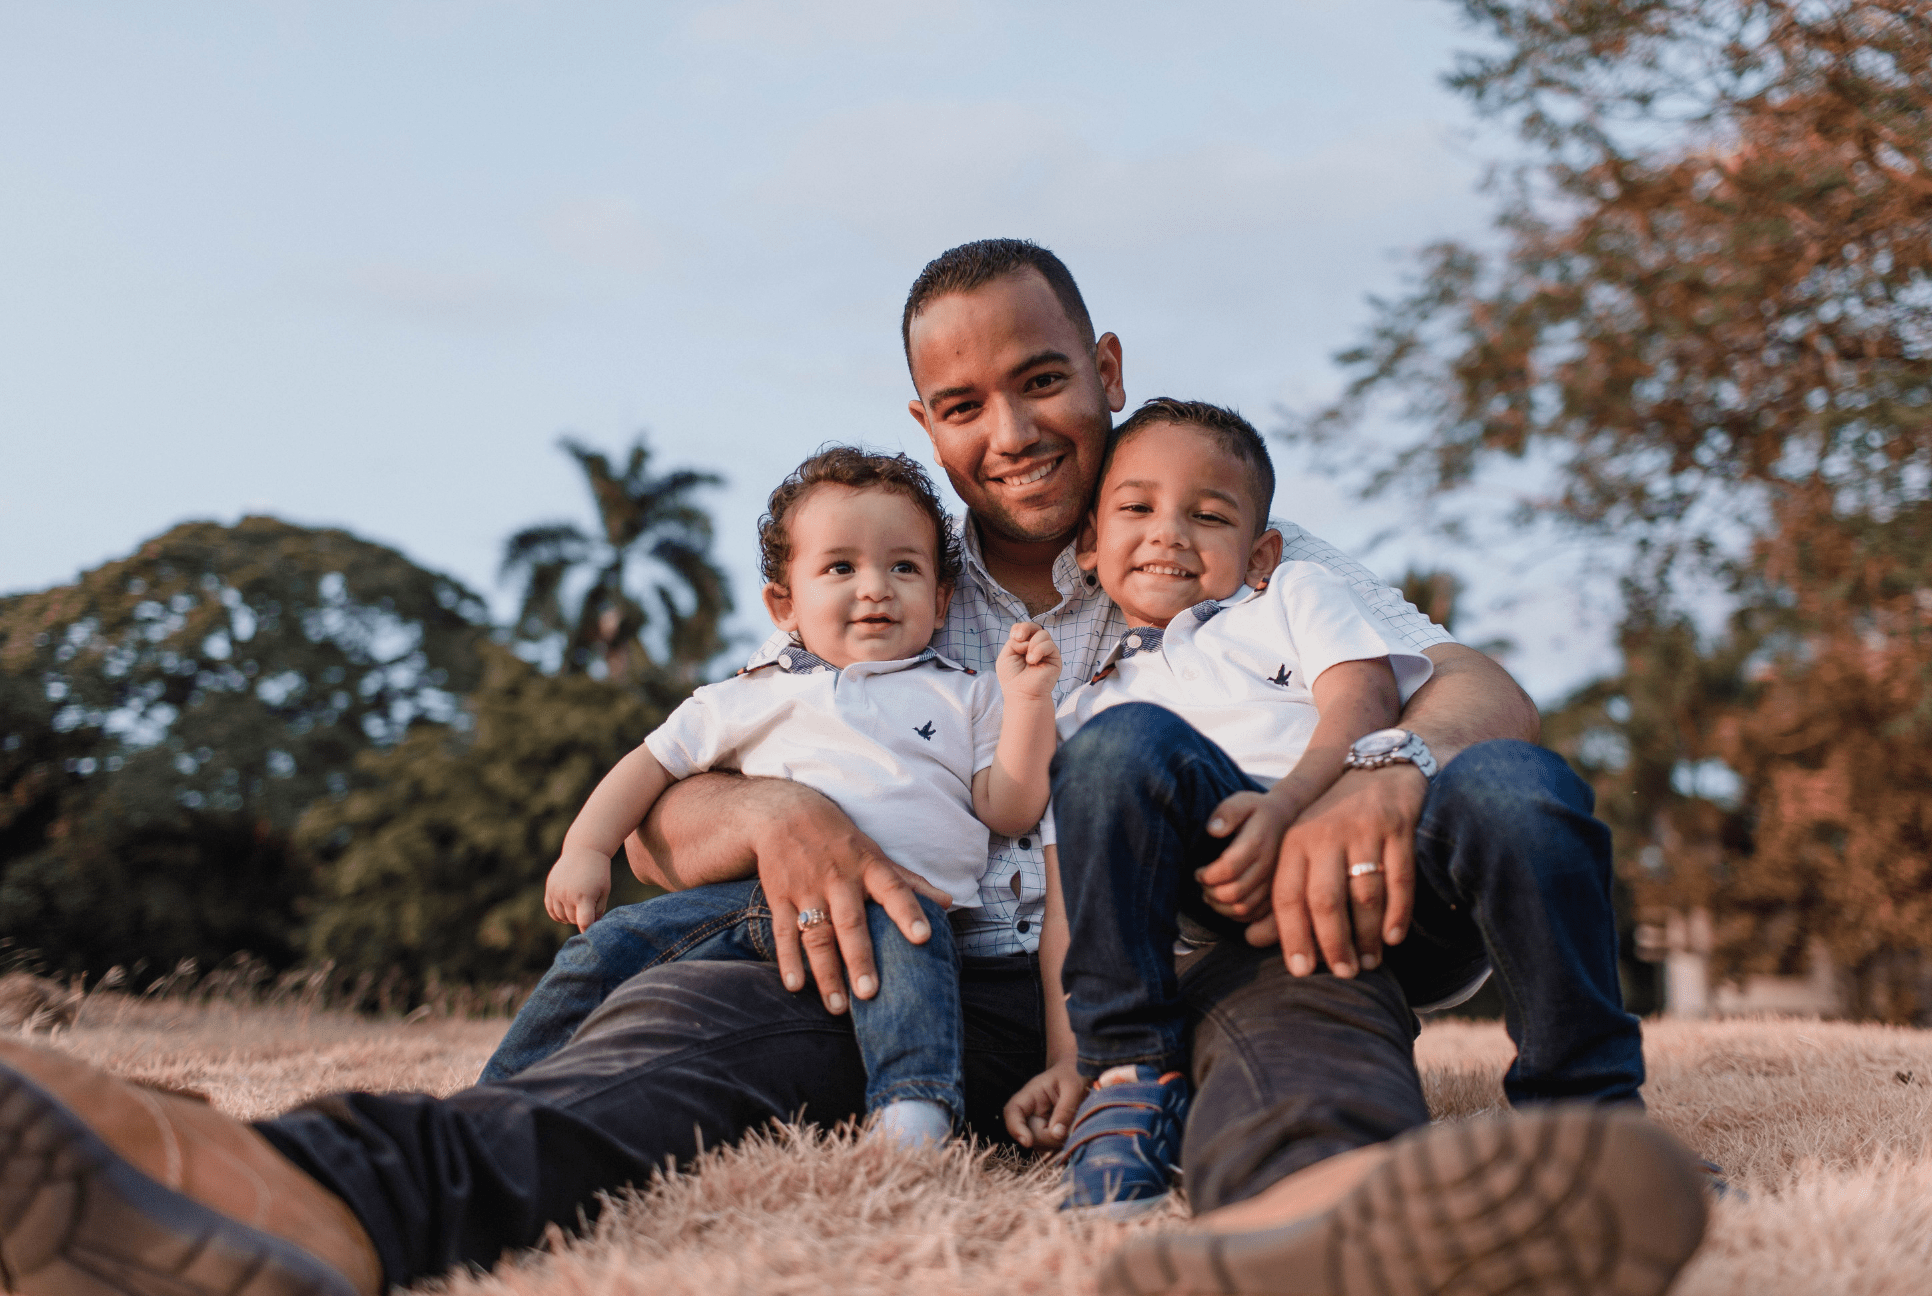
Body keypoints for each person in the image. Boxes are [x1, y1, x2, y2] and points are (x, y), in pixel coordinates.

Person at [0, 238, 1706, 1296]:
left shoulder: (1213, 531)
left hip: (1168, 956)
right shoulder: (876, 574)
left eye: (1044, 381)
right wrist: (774, 810)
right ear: (924, 418)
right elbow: (679, 788)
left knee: (1292, 999)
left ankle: (1317, 1224)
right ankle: (293, 1193)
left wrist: (1386, 771)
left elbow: (1473, 679)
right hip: (902, 966)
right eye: (961, 405)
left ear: (1104, 372)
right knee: (678, 1037)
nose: (1012, 430)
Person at [475, 445, 1077, 1150]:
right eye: (841, 568)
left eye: (904, 567)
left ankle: (914, 1116)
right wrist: (587, 848)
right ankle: (492, 1099)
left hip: (908, 904)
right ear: (782, 603)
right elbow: (648, 766)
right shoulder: (752, 690)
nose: (876, 587)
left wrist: (1029, 702)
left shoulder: (967, 693)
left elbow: (1007, 809)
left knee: (913, 970)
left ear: (941, 598)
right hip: (758, 900)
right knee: (606, 947)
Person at [1032, 398, 1433, 1213]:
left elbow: (1363, 694)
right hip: (1193, 917)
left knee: (1312, 1057)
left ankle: (1332, 1198)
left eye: (1206, 516)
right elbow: (1072, 898)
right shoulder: (1084, 709)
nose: (1170, 533)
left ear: (1261, 553)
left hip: (1325, 846)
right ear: (1089, 546)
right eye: (1136, 508)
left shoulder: (1287, 599)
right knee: (1114, 748)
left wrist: (1296, 803)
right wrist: (1068, 1056)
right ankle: (1128, 1078)